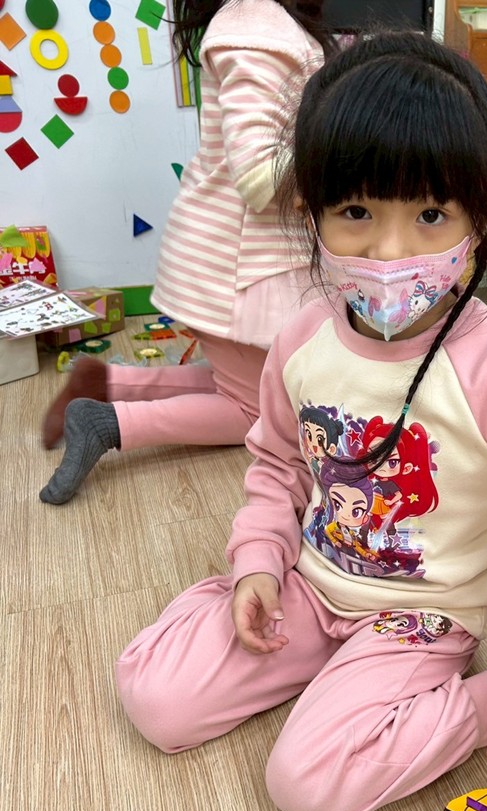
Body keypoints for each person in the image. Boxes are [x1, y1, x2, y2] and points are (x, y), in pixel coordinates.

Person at [115, 31, 487, 811]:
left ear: (478, 218)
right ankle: (324, 666)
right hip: (310, 587)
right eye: (355, 211)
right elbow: (276, 463)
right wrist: (257, 562)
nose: (388, 251)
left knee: (308, 786)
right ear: (309, 211)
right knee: (153, 697)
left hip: (420, 617)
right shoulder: (301, 339)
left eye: (430, 214)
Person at [39, 0, 337, 505]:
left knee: (241, 385)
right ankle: (108, 423)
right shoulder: (256, 22)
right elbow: (258, 177)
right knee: (258, 412)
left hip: (236, 259)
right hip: (238, 266)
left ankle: (106, 382)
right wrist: (347, 147)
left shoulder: (261, 21)